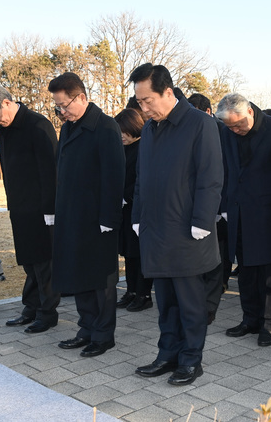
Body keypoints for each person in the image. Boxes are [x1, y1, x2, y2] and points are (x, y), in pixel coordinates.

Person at [130, 63, 223, 386]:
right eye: (139, 102)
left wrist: (202, 221)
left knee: (190, 303)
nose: (143, 107)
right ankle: (167, 354)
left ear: (167, 92)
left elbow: (211, 177)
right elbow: (142, 177)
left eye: (147, 100)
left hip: (187, 231)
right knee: (165, 300)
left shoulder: (199, 124)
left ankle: (190, 360)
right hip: (156, 230)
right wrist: (138, 216)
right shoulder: (151, 129)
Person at [48, 72, 125, 357]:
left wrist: (109, 218)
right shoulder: (68, 126)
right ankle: (87, 327)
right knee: (79, 274)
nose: (61, 112)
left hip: (97, 218)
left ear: (81, 97)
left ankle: (103, 334)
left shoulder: (105, 127)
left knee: (100, 279)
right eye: (57, 107)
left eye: (65, 105)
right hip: (72, 214)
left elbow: (114, 175)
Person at [0, 83, 60, 334]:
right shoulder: (3, 129)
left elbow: (51, 170)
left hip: (42, 208)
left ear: (6, 103)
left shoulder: (37, 125)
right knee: (28, 261)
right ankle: (31, 307)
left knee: (44, 262)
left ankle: (48, 313)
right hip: (19, 206)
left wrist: (50, 209)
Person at [215, 93, 271, 347]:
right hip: (238, 211)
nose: (235, 130)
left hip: (269, 213)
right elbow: (223, 169)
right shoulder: (226, 133)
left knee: (270, 274)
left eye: (239, 124)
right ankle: (250, 318)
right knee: (245, 270)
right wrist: (224, 205)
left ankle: (269, 323)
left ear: (250, 113)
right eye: (230, 126)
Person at [188, 92, 229, 323]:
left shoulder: (220, 131)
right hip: (192, 206)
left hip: (216, 205)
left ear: (206, 112)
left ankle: (210, 304)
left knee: (216, 258)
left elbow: (223, 171)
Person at [114, 108, 153, 312]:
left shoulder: (143, 147)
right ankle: (130, 290)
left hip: (138, 207)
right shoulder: (121, 149)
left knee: (139, 253)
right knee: (129, 254)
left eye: (124, 131)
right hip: (124, 209)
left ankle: (144, 294)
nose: (121, 136)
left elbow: (142, 180)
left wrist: (125, 196)